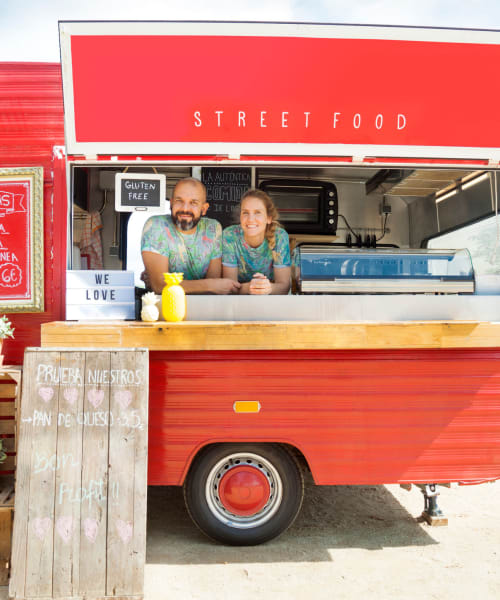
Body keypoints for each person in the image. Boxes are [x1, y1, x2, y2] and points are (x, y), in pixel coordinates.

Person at [141, 177, 241, 294]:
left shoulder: (213, 228)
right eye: (179, 201)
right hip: (165, 307)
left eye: (193, 203)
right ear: (171, 203)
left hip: (204, 307)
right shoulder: (156, 226)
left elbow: (213, 288)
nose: (185, 208)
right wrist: (209, 285)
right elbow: (160, 285)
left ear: (204, 209)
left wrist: (211, 285)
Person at [222, 189, 291, 294]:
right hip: (238, 301)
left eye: (257, 212)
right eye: (245, 213)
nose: (250, 219)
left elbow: (284, 286)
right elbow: (229, 287)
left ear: (268, 218)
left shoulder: (279, 237)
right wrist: (252, 287)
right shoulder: (229, 236)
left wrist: (268, 288)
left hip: (271, 299)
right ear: (240, 216)